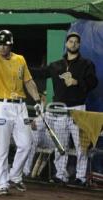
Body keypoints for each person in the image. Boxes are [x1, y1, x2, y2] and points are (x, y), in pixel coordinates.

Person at [31, 32, 98, 186]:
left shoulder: (86, 64)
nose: (73, 44)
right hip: (60, 111)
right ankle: (60, 175)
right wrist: (22, 67)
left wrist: (77, 82)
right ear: (66, 44)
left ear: (79, 45)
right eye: (70, 41)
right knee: (60, 145)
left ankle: (81, 178)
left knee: (82, 147)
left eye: (76, 42)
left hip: (78, 110)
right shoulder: (56, 65)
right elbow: (40, 73)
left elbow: (93, 82)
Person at [0, 30, 41, 195]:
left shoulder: (20, 59)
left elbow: (28, 81)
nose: (2, 46)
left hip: (20, 107)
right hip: (2, 106)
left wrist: (37, 100)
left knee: (26, 144)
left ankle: (15, 175)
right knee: (2, 146)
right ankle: (2, 183)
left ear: (10, 44)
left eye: (5, 43)